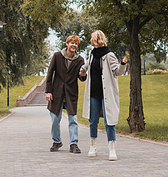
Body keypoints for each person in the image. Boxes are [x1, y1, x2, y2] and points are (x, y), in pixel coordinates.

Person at [80, 30, 127, 161]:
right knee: (92, 120)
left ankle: (112, 149)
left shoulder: (109, 55)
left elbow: (117, 72)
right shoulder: (92, 54)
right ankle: (93, 146)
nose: (90, 40)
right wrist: (82, 70)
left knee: (109, 122)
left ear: (96, 39)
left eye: (92, 38)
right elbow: (88, 65)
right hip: (93, 93)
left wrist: (122, 64)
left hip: (106, 94)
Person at [45, 35, 86, 154]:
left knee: (73, 120)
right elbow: (50, 73)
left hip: (71, 94)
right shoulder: (57, 56)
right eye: (72, 43)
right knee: (55, 121)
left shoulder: (80, 60)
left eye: (76, 43)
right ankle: (57, 141)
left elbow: (81, 78)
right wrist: (48, 91)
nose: (74, 45)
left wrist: (83, 75)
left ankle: (74, 144)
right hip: (56, 93)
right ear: (67, 44)